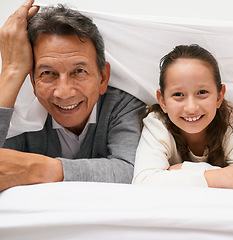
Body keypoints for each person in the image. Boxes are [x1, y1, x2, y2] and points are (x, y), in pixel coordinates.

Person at [0, 0, 145, 191]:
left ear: (103, 77)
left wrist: (37, 168)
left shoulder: (122, 105)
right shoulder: (22, 115)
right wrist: (12, 70)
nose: (64, 92)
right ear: (33, 83)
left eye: (79, 71)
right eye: (47, 73)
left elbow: (132, 171)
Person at [132, 44, 233, 190]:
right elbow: (143, 183)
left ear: (219, 97)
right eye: (178, 95)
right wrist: (217, 177)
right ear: (163, 101)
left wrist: (178, 170)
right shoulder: (157, 124)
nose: (191, 107)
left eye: (202, 92)